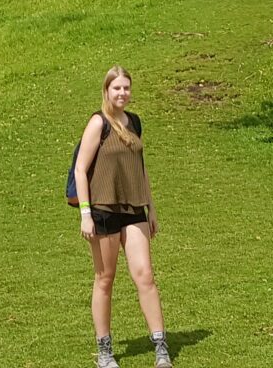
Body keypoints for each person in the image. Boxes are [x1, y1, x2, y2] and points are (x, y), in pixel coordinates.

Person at [73, 66, 171, 368]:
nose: (122, 93)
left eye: (126, 88)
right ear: (107, 90)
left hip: (134, 209)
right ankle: (104, 351)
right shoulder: (98, 123)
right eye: (117, 88)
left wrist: (151, 207)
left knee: (146, 276)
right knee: (105, 279)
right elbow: (80, 169)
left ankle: (160, 346)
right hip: (103, 211)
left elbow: (139, 168)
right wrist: (86, 214)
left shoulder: (135, 122)